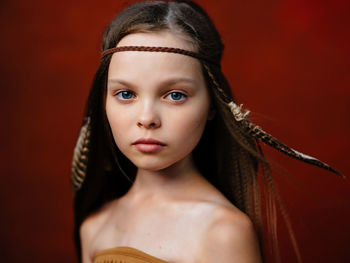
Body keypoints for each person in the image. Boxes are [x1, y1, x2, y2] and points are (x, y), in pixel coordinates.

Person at [71, 1, 343, 262]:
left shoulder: (222, 233)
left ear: (212, 104)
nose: (147, 118)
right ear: (103, 101)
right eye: (126, 94)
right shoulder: (95, 227)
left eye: (175, 95)